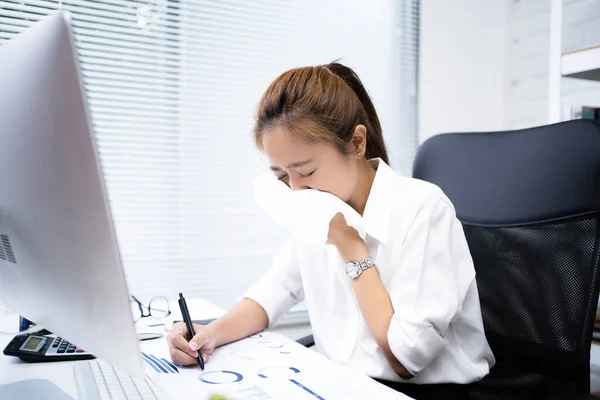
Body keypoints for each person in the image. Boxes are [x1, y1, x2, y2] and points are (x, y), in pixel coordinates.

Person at [167, 62, 495, 399]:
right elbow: (274, 292)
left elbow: (406, 358)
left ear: (356, 143)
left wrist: (351, 248)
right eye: (282, 177)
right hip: (340, 385)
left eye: (306, 172)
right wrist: (209, 335)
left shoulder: (422, 210)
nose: (295, 190)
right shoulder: (317, 206)